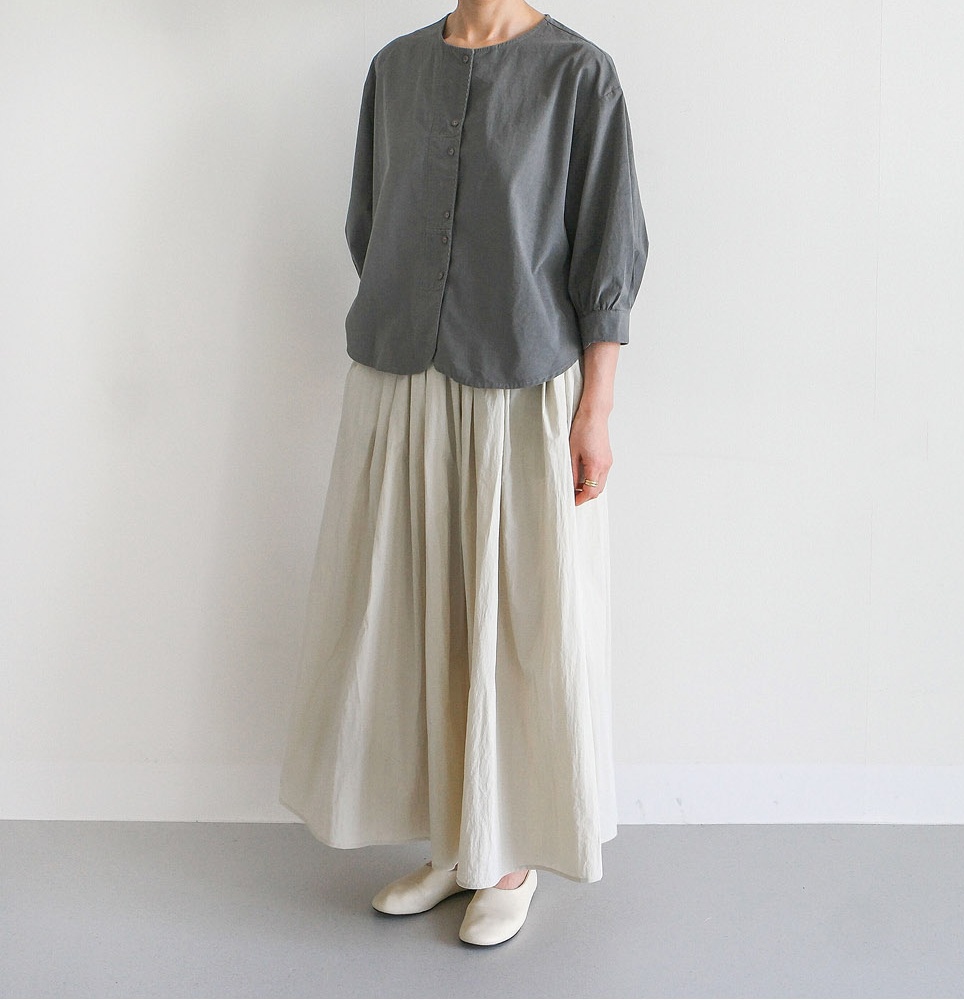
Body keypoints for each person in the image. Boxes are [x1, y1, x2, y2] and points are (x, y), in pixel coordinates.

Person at [279, 0, 648, 947]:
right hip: (402, 376)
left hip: (520, 384)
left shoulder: (578, 75)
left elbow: (608, 249)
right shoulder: (395, 69)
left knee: (513, 619)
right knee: (420, 612)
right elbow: (371, 225)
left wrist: (595, 411)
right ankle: (457, 840)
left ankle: (508, 853)